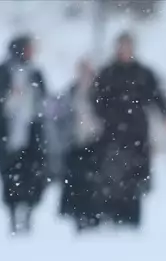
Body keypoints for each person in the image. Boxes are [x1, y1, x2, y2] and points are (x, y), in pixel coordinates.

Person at [0, 34, 50, 235]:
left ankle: (29, 214)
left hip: (32, 132)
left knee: (33, 175)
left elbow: (45, 102)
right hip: (7, 134)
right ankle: (14, 215)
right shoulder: (2, 72)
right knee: (10, 176)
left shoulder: (35, 73)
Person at [93, 31, 166, 228]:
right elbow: (96, 101)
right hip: (113, 133)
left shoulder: (143, 73)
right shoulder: (107, 73)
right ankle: (112, 215)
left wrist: (165, 115)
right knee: (113, 176)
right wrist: (106, 117)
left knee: (135, 178)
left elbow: (157, 97)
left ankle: (132, 217)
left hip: (137, 132)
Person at [55, 58, 104, 232]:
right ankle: (78, 216)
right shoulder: (70, 92)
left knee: (94, 183)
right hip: (74, 144)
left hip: (95, 143)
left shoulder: (100, 93)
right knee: (76, 183)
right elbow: (59, 115)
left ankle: (94, 217)